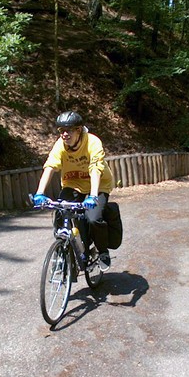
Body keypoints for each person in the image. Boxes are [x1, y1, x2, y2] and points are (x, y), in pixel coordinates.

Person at [33, 111, 114, 271]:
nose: (64, 134)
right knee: (60, 213)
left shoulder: (92, 142)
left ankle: (103, 251)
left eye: (68, 130)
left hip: (98, 185)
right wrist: (39, 193)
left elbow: (95, 169)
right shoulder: (60, 145)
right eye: (61, 130)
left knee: (93, 219)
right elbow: (50, 166)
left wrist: (92, 196)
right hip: (73, 184)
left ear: (78, 130)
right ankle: (62, 253)